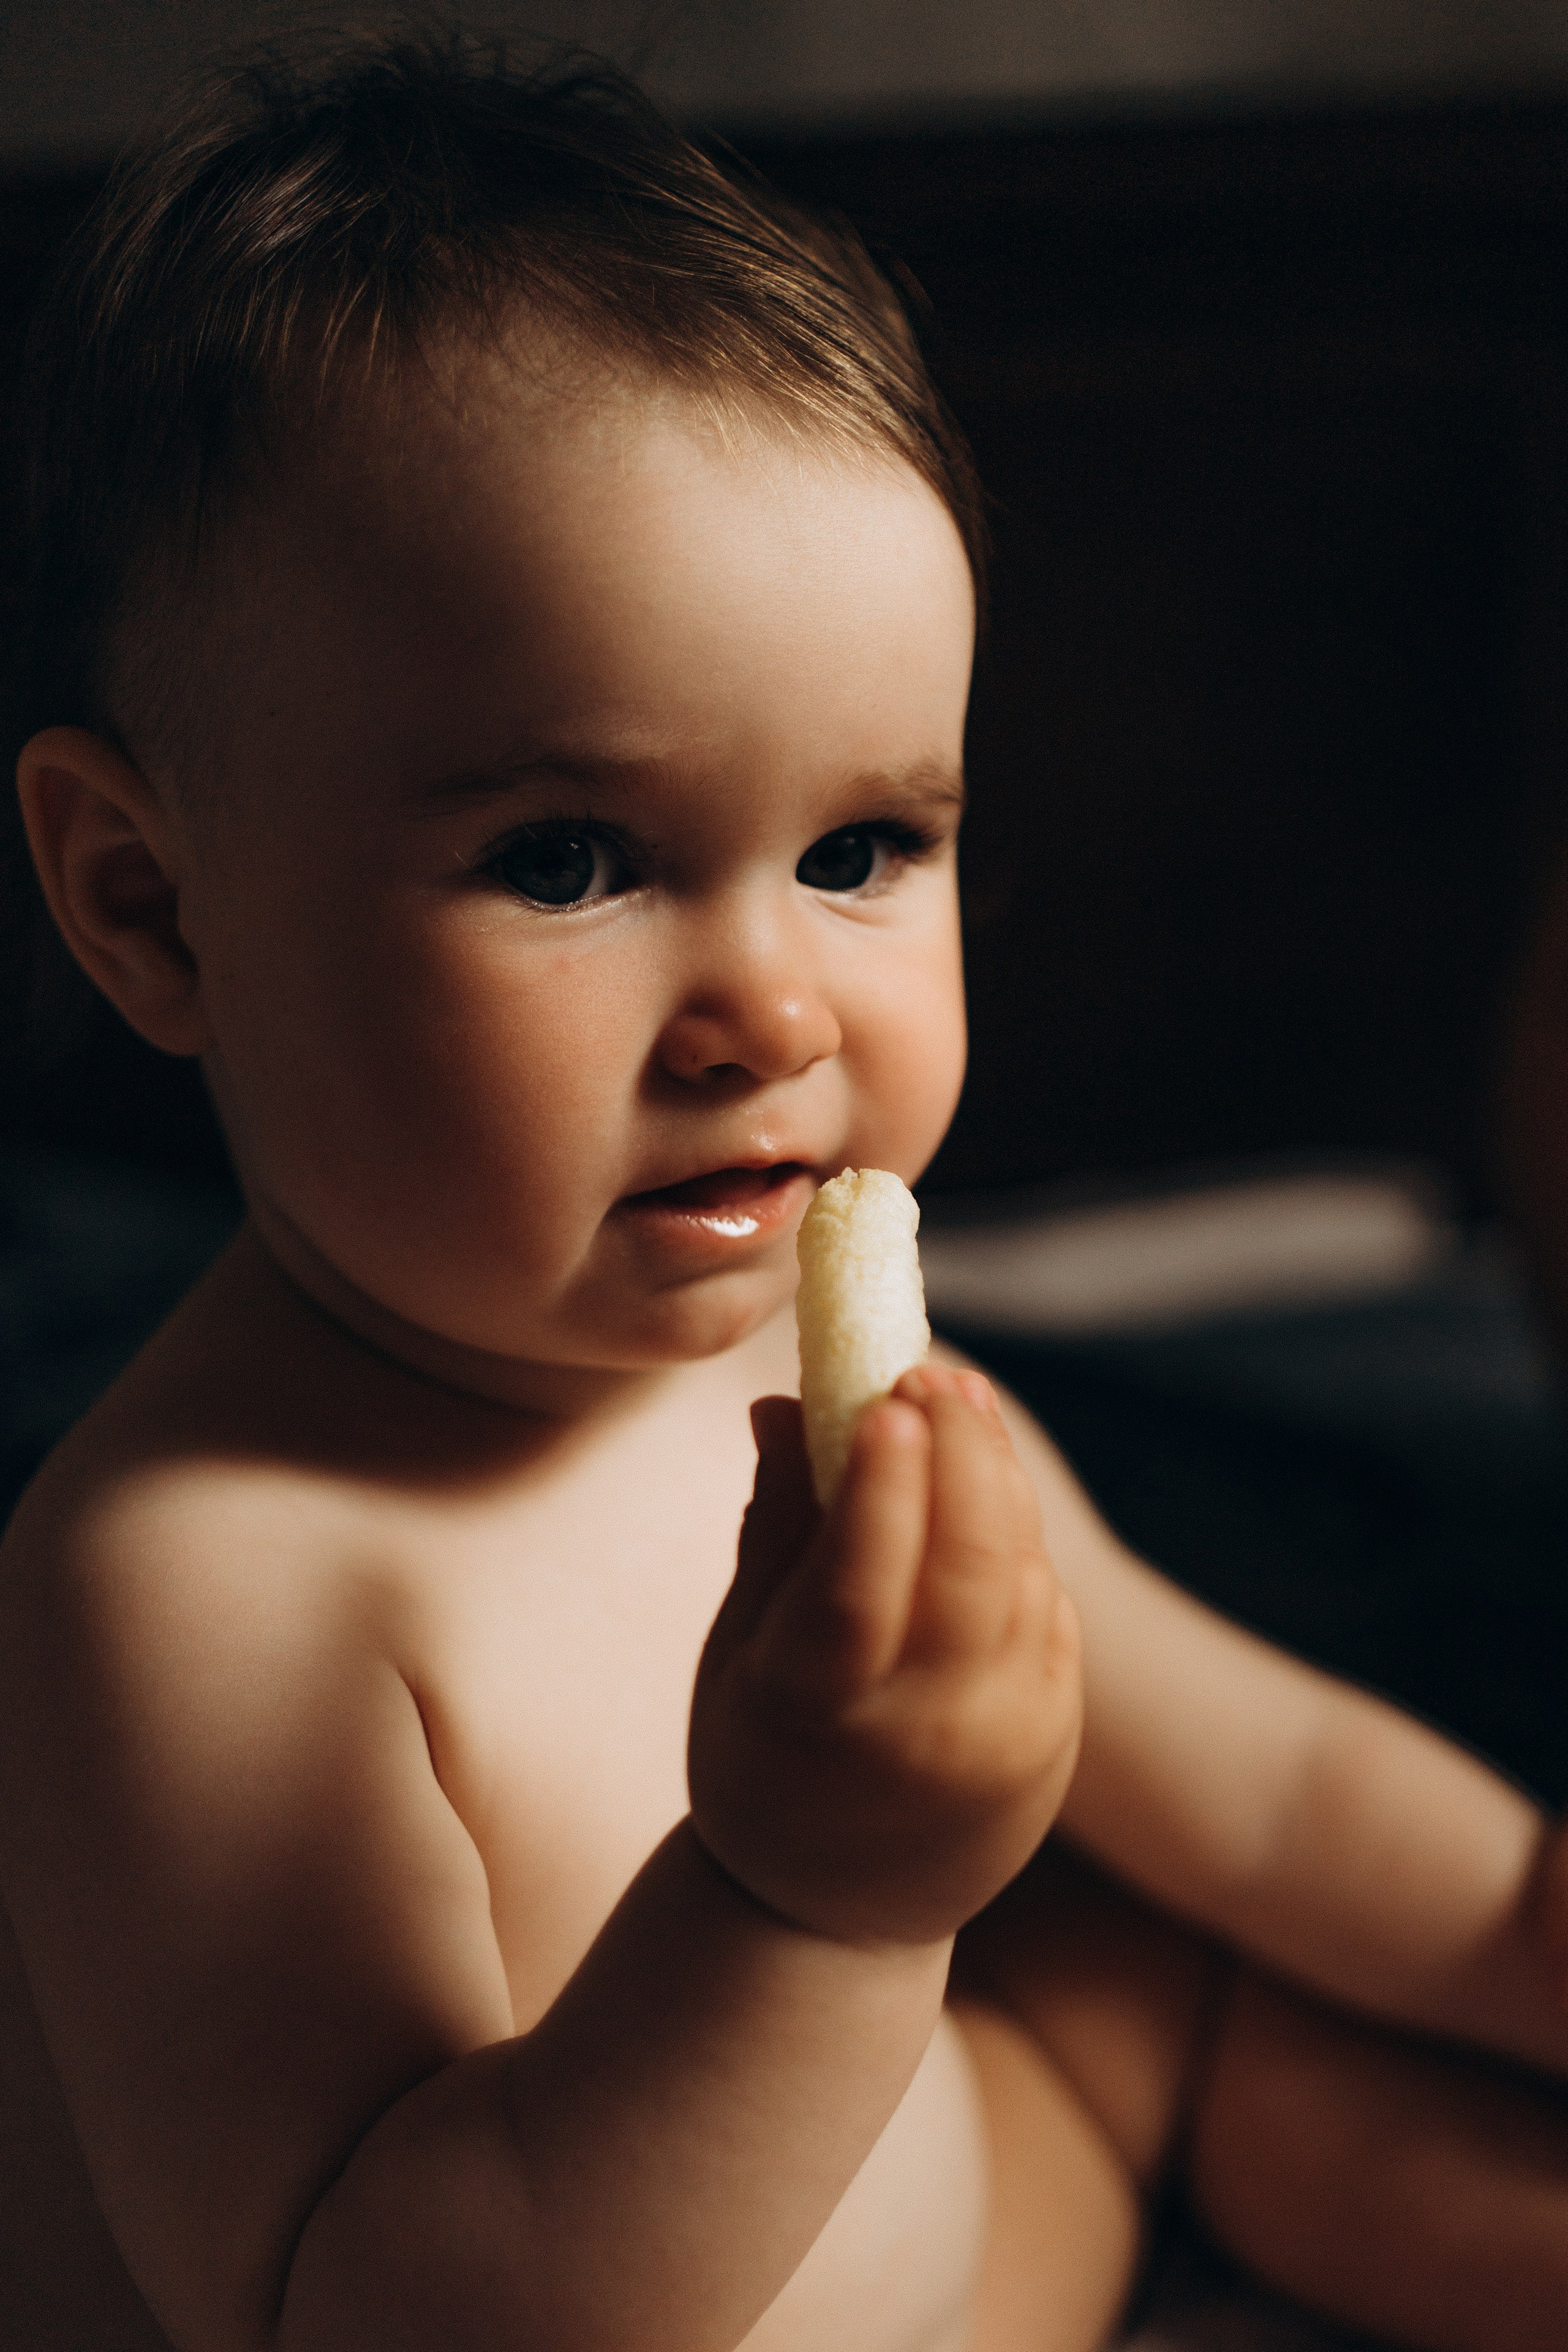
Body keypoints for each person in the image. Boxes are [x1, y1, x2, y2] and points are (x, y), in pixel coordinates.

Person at [3, 34, 1567, 2352]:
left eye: (860, 849)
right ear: (153, 907)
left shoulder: (831, 1382)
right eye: (569, 859)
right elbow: (380, 2310)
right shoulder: (199, 1592)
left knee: (1187, 1969)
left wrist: (1531, 1927)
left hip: (984, 2244)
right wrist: (810, 1906)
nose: (773, 1005)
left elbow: (1272, 1791)